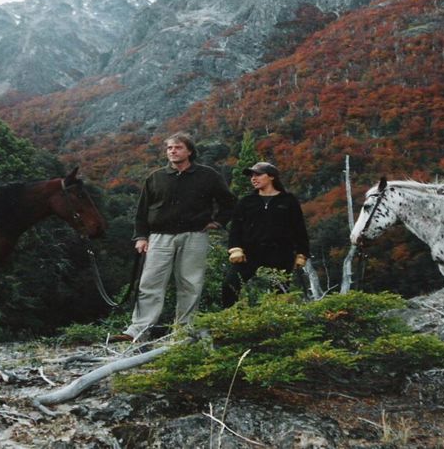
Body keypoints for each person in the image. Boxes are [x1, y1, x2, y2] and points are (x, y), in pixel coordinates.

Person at [113, 132, 236, 342]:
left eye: (178, 147)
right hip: (160, 237)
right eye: (169, 148)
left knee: (190, 283)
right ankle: (138, 331)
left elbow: (230, 202)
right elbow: (142, 211)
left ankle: (183, 331)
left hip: (195, 236)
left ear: (189, 151)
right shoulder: (156, 177)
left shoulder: (208, 176)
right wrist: (141, 237)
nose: (173, 151)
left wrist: (217, 222)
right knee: (150, 283)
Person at [223, 161, 310, 307]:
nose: (253, 178)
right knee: (230, 285)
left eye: (258, 174)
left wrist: (302, 254)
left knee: (280, 293)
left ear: (271, 177)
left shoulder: (288, 200)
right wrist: (235, 249)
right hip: (249, 253)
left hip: (280, 254)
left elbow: (299, 229)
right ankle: (229, 321)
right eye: (251, 175)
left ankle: (278, 326)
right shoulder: (246, 201)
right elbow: (236, 228)